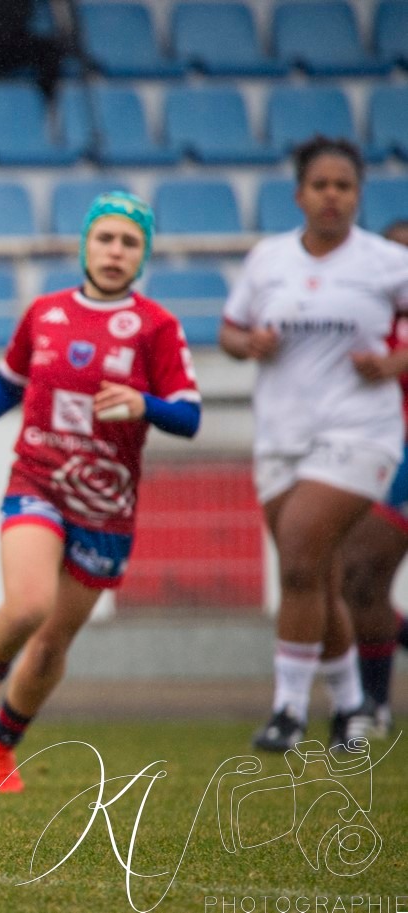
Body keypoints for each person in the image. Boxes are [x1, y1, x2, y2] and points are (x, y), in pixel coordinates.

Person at [0, 192, 201, 792]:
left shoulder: (157, 327)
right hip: (39, 479)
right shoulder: (45, 313)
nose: (115, 251)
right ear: (85, 246)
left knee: (52, 644)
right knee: (28, 606)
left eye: (129, 243)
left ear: (142, 256)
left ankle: (1, 747)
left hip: (106, 504)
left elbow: (189, 415)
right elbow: (6, 388)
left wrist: (143, 404)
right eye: (105, 238)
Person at [220, 137, 408, 754]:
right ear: (299, 194)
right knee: (317, 579)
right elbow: (229, 329)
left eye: (344, 185)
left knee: (299, 559)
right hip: (282, 435)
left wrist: (394, 364)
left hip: (361, 432)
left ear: (358, 195)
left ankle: (288, 713)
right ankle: (352, 708)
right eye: (321, 185)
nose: (332, 196)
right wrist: (248, 345)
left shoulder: (386, 262)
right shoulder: (267, 260)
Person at [341, 218, 408, 737]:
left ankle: (372, 705)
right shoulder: (367, 315)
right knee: (361, 578)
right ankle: (375, 706)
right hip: (386, 451)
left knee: (361, 576)